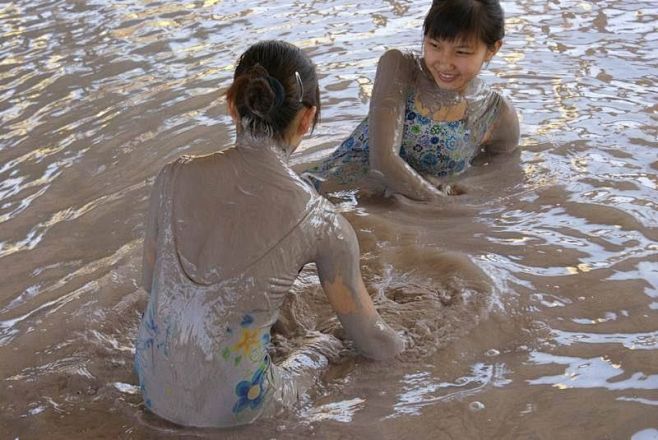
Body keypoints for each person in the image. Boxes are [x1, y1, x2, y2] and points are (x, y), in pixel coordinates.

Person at [134, 40, 404, 428]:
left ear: (233, 106)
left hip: (150, 385)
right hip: (235, 409)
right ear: (307, 119)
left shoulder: (171, 176)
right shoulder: (321, 220)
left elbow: (148, 283)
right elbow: (373, 341)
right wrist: (420, 346)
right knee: (324, 345)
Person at [302, 0, 520, 200]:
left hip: (407, 220)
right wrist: (443, 204)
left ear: (492, 49)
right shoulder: (401, 68)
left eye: (461, 52)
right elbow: (383, 162)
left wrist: (460, 193)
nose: (444, 62)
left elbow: (500, 176)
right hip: (326, 198)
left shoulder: (496, 113)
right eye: (434, 45)